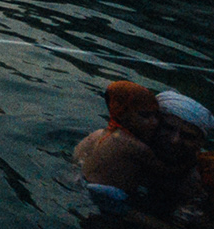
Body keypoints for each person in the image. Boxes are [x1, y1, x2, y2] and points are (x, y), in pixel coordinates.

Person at [73, 80, 181, 214]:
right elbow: (169, 173)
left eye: (157, 116)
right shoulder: (134, 146)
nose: (154, 122)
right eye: (145, 116)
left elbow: (76, 160)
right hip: (112, 198)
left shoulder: (97, 134)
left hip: (81, 185)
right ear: (123, 113)